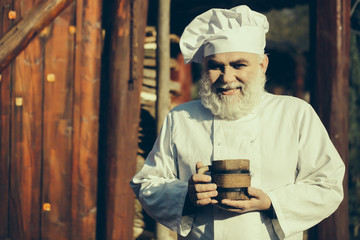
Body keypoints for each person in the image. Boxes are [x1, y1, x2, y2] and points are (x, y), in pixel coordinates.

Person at [130, 5, 345, 240]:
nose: (227, 77)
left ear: (262, 65)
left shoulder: (295, 113)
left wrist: (272, 203)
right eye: (216, 66)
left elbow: (328, 184)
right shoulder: (181, 118)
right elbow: (146, 184)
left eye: (238, 65)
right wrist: (186, 197)